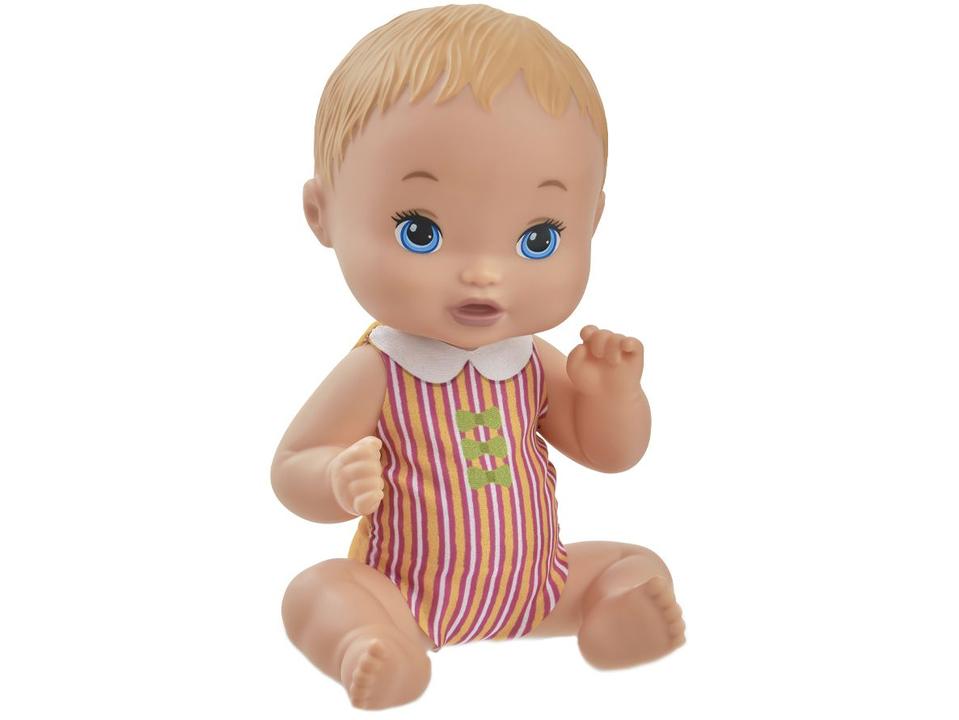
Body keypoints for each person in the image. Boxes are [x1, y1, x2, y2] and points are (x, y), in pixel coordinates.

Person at [272, 4, 684, 710]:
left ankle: (609, 615)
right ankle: (375, 644)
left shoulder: (530, 361)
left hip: (541, 587)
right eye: (420, 230)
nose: (484, 273)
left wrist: (612, 396)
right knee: (315, 592)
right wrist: (333, 479)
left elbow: (610, 454)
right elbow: (291, 467)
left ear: (591, 221)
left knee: (634, 563)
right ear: (322, 213)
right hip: (402, 594)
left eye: (537, 239)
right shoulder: (379, 369)